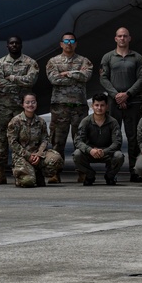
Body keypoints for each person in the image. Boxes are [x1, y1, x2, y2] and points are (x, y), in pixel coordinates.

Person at [0, 35, 39, 185]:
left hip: (21, 109)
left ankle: (24, 171)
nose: (14, 45)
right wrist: (19, 81)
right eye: (11, 43)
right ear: (7, 46)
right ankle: (0, 172)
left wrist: (10, 77)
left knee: (24, 140)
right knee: (2, 140)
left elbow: (31, 80)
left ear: (21, 45)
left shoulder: (30, 63)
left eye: (17, 43)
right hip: (4, 108)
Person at [45, 32, 93, 182]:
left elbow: (86, 76)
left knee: (80, 141)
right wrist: (76, 76)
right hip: (60, 107)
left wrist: (67, 73)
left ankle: (82, 172)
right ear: (61, 44)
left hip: (79, 107)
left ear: (76, 43)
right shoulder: (53, 61)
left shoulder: (84, 61)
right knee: (57, 141)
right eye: (66, 41)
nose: (69, 43)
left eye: (72, 40)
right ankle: (55, 172)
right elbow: (54, 79)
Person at [98, 27, 142, 180]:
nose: (122, 39)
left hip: (133, 102)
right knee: (112, 137)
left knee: (134, 138)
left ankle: (134, 171)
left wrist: (127, 94)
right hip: (113, 103)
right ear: (115, 39)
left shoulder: (137, 57)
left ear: (129, 38)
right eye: (120, 36)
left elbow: (141, 79)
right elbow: (103, 78)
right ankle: (111, 172)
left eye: (125, 36)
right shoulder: (108, 57)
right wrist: (116, 95)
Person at [7, 92, 63, 188]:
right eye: (27, 102)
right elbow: (13, 143)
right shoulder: (16, 121)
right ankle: (22, 177)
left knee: (56, 158)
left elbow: (45, 139)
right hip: (22, 156)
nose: (30, 105)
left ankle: (38, 173)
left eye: (33, 102)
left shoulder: (40, 121)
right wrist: (28, 156)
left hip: (37, 155)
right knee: (28, 182)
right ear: (22, 104)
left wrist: (38, 154)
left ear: (36, 103)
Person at [73, 93, 124, 186]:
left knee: (119, 156)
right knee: (77, 154)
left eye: (102, 105)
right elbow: (78, 141)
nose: (99, 108)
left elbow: (117, 142)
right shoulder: (86, 121)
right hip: (91, 152)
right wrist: (90, 150)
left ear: (107, 107)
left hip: (107, 152)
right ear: (92, 106)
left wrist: (104, 151)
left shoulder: (113, 122)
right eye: (96, 105)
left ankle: (110, 176)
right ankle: (90, 175)